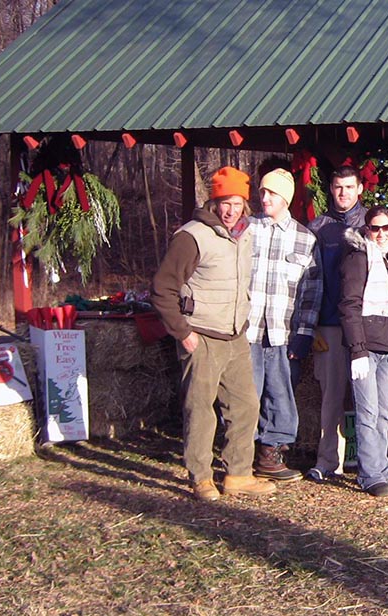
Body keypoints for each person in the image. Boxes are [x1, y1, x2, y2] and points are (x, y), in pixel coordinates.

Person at [151, 166, 276, 501]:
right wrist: (183, 332)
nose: (230, 210)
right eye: (224, 202)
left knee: (246, 406)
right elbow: (162, 288)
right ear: (213, 202)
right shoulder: (192, 236)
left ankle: (238, 474)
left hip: (235, 335)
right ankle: (201, 477)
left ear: (244, 205)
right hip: (202, 335)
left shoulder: (245, 234)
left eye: (236, 203)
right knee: (200, 409)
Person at [246, 168, 323, 482]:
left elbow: (311, 293)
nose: (265, 198)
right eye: (262, 192)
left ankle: (271, 453)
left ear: (286, 199)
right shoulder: (245, 229)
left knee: (280, 394)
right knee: (245, 394)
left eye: (272, 193)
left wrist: (303, 335)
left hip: (283, 333)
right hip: (247, 330)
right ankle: (239, 456)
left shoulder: (305, 238)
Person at [340, 205, 388, 497]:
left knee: (382, 412)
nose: (381, 234)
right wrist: (357, 349)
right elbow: (349, 305)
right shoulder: (358, 258)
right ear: (366, 229)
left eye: (386, 228)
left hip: (387, 346)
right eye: (375, 228)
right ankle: (370, 475)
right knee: (367, 411)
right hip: (365, 346)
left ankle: (383, 469)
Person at [306, 165, 367, 482]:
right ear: (331, 189)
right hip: (329, 323)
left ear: (360, 189)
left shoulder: (373, 225)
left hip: (363, 325)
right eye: (338, 187)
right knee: (331, 395)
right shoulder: (318, 228)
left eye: (349, 187)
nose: (343, 193)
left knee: (366, 396)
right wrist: (311, 323)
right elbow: (308, 277)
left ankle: (371, 462)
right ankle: (328, 460)